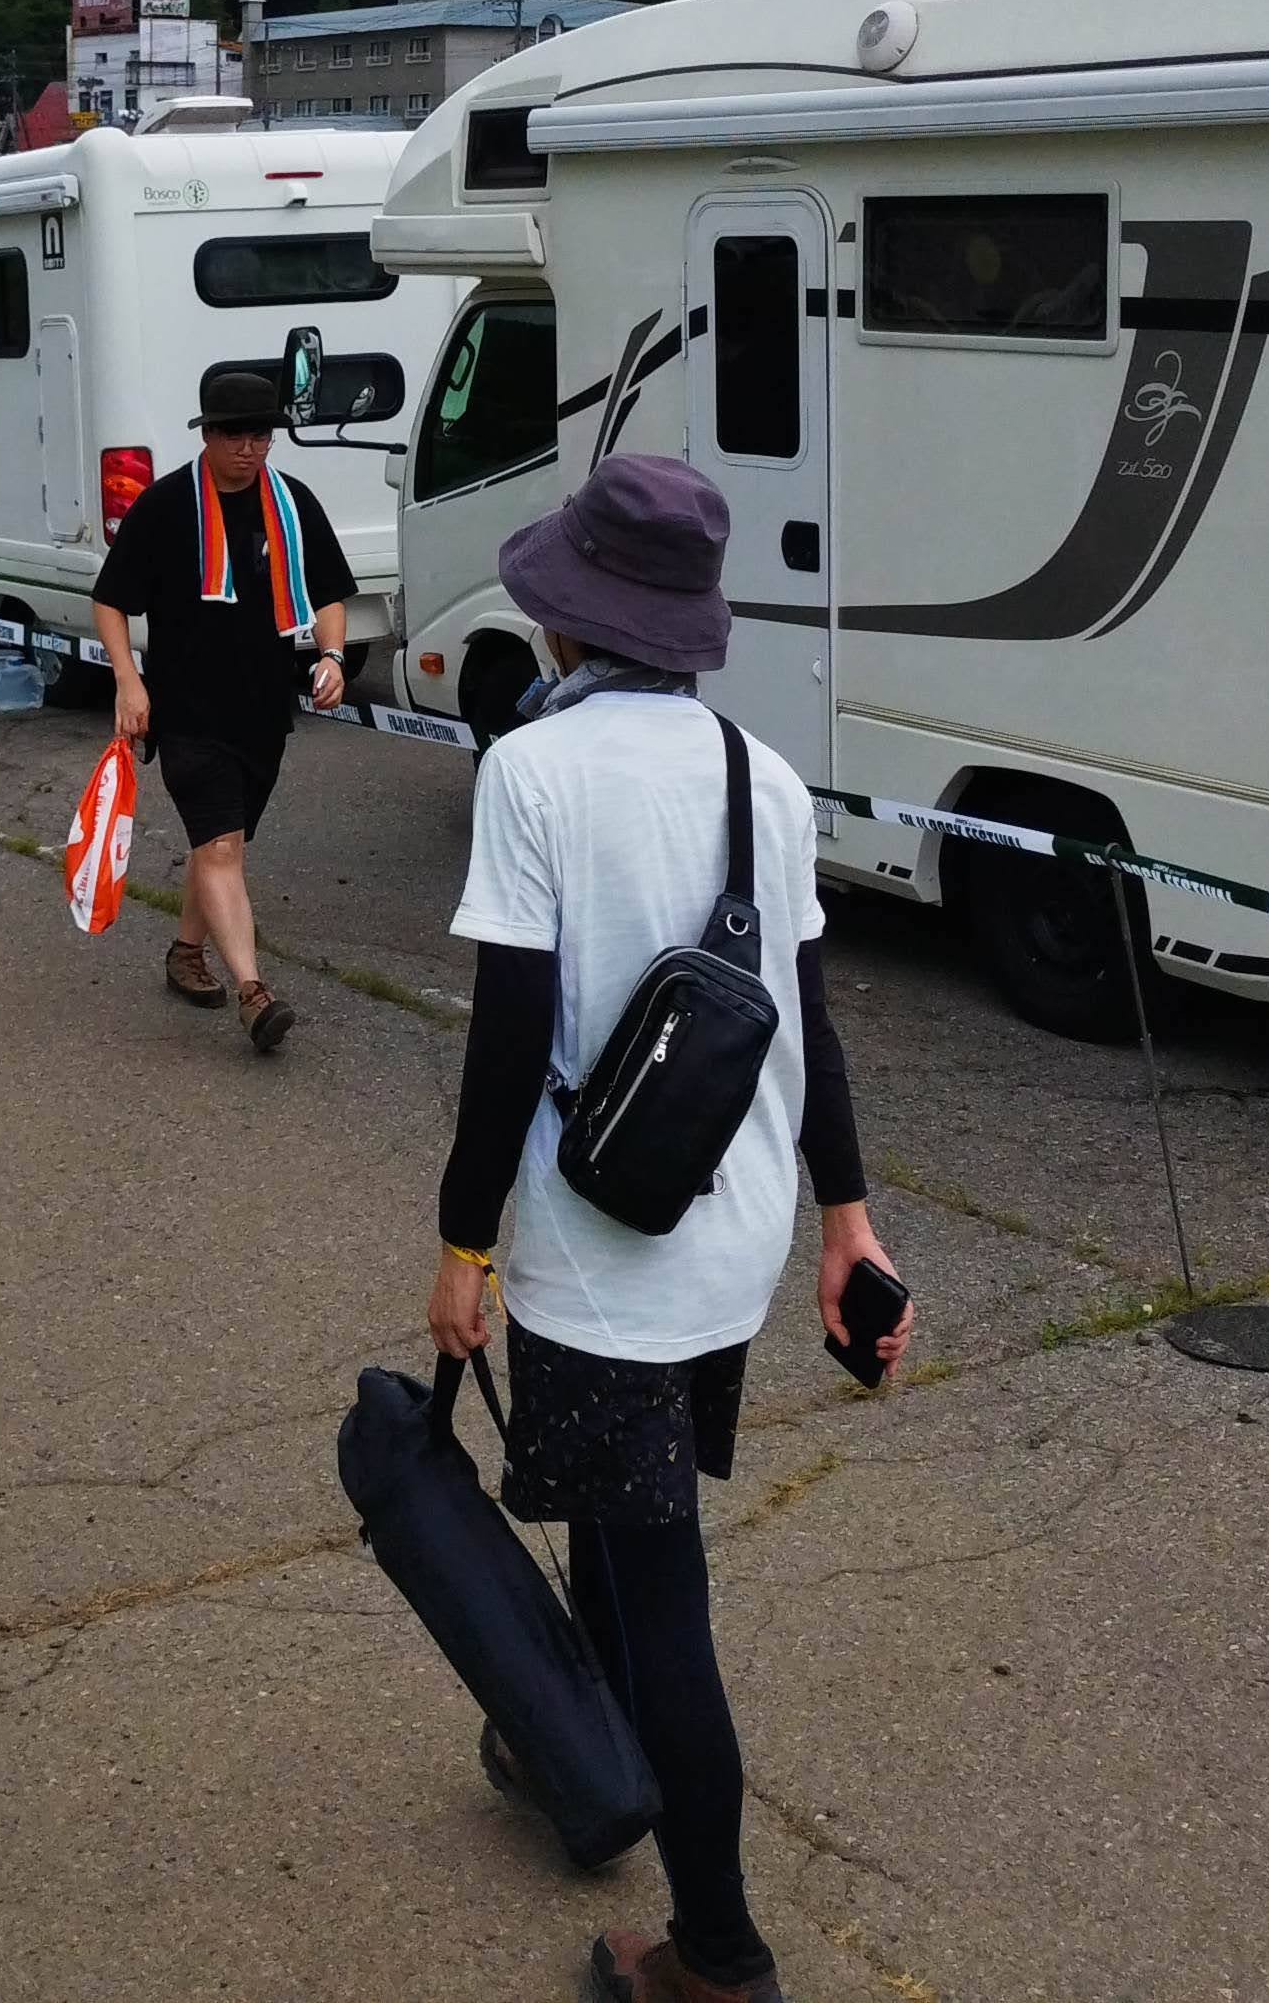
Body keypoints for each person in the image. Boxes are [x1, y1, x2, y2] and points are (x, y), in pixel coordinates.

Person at [420, 455, 905, 2003]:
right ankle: (569, 1738)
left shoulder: (533, 772)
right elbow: (809, 1023)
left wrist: (462, 1245)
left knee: (654, 1589)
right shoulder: (756, 771)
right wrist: (848, 1224)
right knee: (628, 1544)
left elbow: (505, 1048)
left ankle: (718, 1950)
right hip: (736, 1234)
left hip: (598, 1255)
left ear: (564, 620)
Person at [86, 366, 350, 1055]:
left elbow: (328, 591)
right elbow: (110, 597)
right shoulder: (169, 504)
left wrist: (333, 656)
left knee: (223, 847)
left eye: (261, 434)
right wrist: (127, 681)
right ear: (207, 434)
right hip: (188, 711)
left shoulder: (292, 504)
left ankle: (184, 952)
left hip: (263, 713)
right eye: (234, 434)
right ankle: (254, 994)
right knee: (222, 846)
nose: (249, 448)